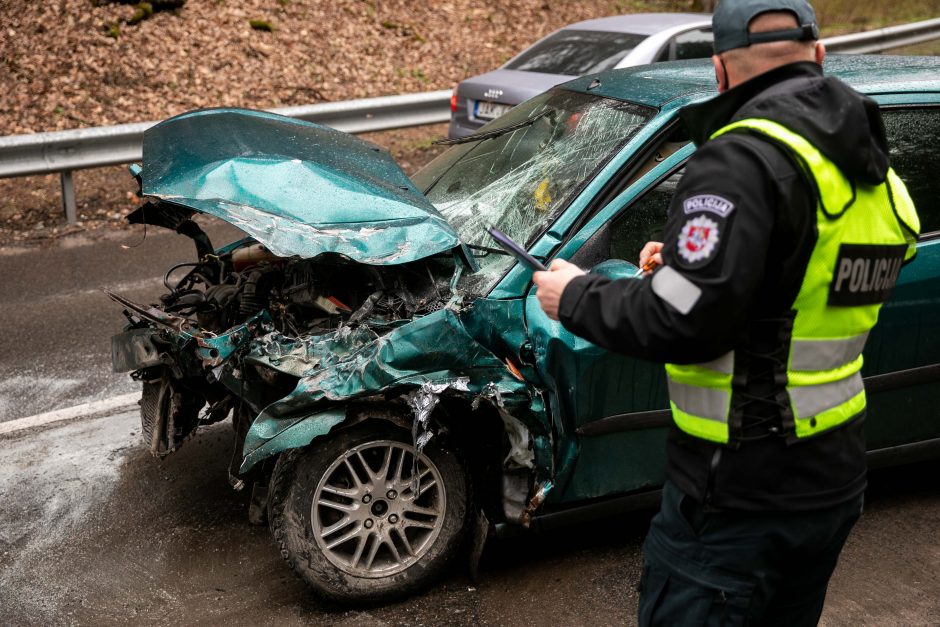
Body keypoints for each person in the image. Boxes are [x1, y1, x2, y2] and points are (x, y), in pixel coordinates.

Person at [532, 0, 920, 624]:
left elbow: (681, 321)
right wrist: (704, 273)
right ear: (819, 57)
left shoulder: (740, 158)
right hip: (832, 479)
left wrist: (573, 295)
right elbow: (809, 289)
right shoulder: (874, 175)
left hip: (738, 494)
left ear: (717, 71)